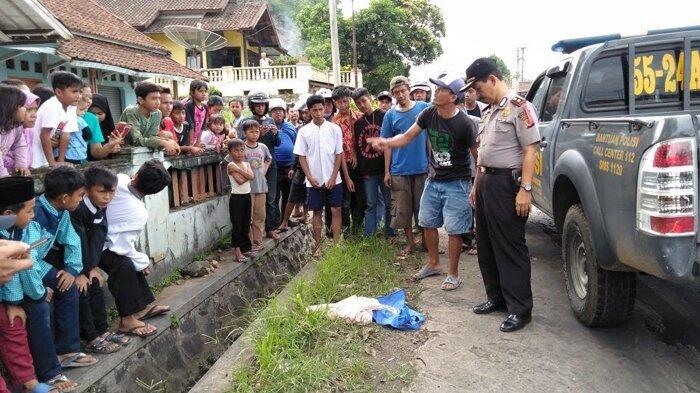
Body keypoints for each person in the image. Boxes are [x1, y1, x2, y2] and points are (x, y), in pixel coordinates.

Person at [371, 74, 477, 291]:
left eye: (440, 90)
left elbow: (477, 155)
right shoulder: (429, 113)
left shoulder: (465, 123)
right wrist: (386, 142)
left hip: (457, 182)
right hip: (434, 178)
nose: (435, 93)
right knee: (427, 222)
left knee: (455, 230)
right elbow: (407, 137)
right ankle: (433, 263)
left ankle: (453, 274)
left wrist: (476, 185)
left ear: (453, 97)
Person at [463, 57, 541, 332]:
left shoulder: (520, 107)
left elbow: (530, 149)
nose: (476, 93)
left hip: (507, 185)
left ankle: (520, 309)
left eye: (478, 87)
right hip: (485, 181)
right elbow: (483, 153)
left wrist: (525, 190)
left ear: (493, 80)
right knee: (486, 244)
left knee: (510, 246)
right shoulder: (489, 111)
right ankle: (495, 297)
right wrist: (476, 186)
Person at [0, 176, 77, 393]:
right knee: (16, 317)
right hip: (9, 295)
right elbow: (18, 276)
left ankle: (36, 379)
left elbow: (26, 271)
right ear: (8, 215)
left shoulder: (27, 229)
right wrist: (19, 300)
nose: (34, 216)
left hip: (11, 294)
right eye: (30, 211)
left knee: (31, 312)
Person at [32, 166, 100, 373]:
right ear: (64, 197)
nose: (81, 200)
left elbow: (71, 240)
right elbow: (27, 256)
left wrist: (72, 269)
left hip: (36, 263)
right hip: (24, 265)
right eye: (80, 196)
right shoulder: (36, 214)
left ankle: (67, 351)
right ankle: (61, 355)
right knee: (61, 289)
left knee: (69, 285)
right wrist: (39, 285)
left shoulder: (60, 212)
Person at [100, 159, 171, 338]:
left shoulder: (120, 179)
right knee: (123, 264)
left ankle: (141, 307)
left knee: (133, 260)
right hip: (99, 243)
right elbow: (121, 249)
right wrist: (143, 261)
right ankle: (127, 320)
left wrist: (139, 260)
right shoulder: (138, 212)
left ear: (137, 174)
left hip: (103, 237)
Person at [70, 165, 129, 354]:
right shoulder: (77, 209)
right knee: (83, 289)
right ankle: (90, 337)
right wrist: (82, 270)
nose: (107, 197)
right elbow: (76, 242)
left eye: (111, 192)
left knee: (96, 284)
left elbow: (97, 238)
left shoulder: (100, 207)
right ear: (86, 190)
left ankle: (102, 331)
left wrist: (92, 267)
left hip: (87, 262)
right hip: (70, 262)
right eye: (102, 192)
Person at [380, 76, 430, 257]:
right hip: (399, 170)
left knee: (424, 209)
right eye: (396, 92)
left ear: (408, 89)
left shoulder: (423, 108)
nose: (400, 95)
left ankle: (427, 242)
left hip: (422, 168)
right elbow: (387, 144)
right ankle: (410, 243)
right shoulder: (390, 115)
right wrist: (387, 171)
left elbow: (433, 133)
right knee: (403, 210)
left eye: (403, 91)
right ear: (393, 94)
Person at [293, 95, 344, 258]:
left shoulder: (335, 129)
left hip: (334, 179)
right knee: (316, 212)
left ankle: (336, 244)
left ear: (325, 108)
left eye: (320, 109)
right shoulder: (304, 131)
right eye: (314, 110)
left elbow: (338, 154)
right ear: (309, 111)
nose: (318, 113)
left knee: (336, 210)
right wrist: (309, 177)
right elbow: (301, 156)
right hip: (314, 179)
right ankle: (318, 246)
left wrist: (333, 176)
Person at [352, 88, 394, 238]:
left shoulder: (385, 116)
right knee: (371, 203)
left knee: (389, 202)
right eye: (358, 103)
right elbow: (357, 146)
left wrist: (389, 168)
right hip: (368, 170)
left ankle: (390, 233)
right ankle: (370, 234)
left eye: (363, 101)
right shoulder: (358, 124)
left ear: (370, 98)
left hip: (385, 168)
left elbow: (392, 141)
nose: (362, 105)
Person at [243, 90, 281, 241]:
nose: (260, 108)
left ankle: (270, 229)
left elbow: (277, 143)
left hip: (269, 163)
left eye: (263, 105)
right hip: (252, 166)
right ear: (253, 106)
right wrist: (261, 134)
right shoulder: (247, 122)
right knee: (253, 199)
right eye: (257, 105)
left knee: (271, 198)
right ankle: (252, 234)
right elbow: (242, 142)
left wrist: (275, 133)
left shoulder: (270, 121)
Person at [30, 71, 81, 169]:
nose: (78, 95)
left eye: (80, 91)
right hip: (35, 155)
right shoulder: (52, 106)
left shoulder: (71, 106)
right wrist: (52, 162)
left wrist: (60, 161)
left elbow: (66, 134)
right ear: (58, 92)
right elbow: (44, 135)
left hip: (47, 156)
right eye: (74, 91)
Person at [332, 86, 363, 234]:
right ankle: (346, 232)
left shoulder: (359, 117)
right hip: (342, 165)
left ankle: (357, 229)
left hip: (360, 164)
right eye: (339, 103)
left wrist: (356, 155)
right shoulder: (333, 124)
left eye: (345, 101)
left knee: (360, 198)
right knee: (345, 200)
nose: (343, 105)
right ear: (334, 103)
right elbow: (338, 150)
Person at [120, 82, 179, 156]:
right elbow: (137, 140)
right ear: (141, 100)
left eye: (159, 98)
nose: (158, 102)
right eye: (154, 99)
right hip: (125, 154)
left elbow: (152, 137)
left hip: (144, 154)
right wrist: (163, 142)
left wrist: (170, 142)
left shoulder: (157, 113)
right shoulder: (131, 112)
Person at [241, 120, 272, 249]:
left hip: (261, 186)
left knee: (260, 215)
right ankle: (248, 242)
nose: (254, 134)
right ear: (245, 132)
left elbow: (268, 158)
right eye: (251, 132)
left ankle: (258, 241)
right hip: (247, 187)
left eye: (256, 131)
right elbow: (230, 161)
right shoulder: (241, 147)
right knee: (247, 215)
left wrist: (264, 169)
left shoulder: (263, 147)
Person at [268, 98, 297, 236]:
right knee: (274, 196)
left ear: (285, 113)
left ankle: (285, 220)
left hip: (289, 166)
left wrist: (294, 165)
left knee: (288, 195)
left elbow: (297, 145)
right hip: (274, 167)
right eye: (275, 111)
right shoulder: (267, 127)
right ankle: (275, 223)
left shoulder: (290, 127)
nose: (278, 113)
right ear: (270, 113)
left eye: (280, 110)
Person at [226, 139, 254, 262]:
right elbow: (240, 181)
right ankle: (237, 253)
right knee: (237, 225)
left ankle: (245, 249)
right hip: (236, 198)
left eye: (242, 150)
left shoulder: (245, 164)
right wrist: (244, 174)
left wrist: (239, 170)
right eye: (236, 150)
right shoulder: (230, 165)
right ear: (230, 152)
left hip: (247, 196)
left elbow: (251, 177)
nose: (239, 153)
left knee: (246, 223)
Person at [77, 85, 122, 161]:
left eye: (90, 97)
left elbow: (96, 152)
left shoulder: (91, 118)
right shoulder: (58, 115)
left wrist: (110, 145)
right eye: (85, 97)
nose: (89, 101)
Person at [0, 85, 31, 177]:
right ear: (9, 107)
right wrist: (4, 177)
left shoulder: (16, 126)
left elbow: (20, 144)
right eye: (21, 106)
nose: (25, 109)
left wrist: (21, 164)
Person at [184, 80, 209, 145]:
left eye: (205, 91)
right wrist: (191, 144)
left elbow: (202, 126)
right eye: (201, 91)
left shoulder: (205, 107)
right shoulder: (189, 106)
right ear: (192, 92)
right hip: (187, 139)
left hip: (196, 139)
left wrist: (198, 141)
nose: (204, 94)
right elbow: (190, 125)